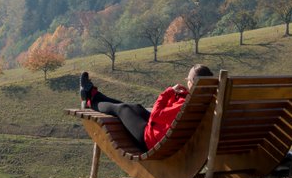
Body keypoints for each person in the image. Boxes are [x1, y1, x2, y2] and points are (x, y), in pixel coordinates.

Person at [79, 64, 213, 151]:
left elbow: (156, 115)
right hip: (169, 137)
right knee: (135, 107)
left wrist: (169, 92)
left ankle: (91, 101)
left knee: (122, 109)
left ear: (191, 82)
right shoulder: (205, 100)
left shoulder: (186, 105)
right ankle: (93, 94)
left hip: (151, 141)